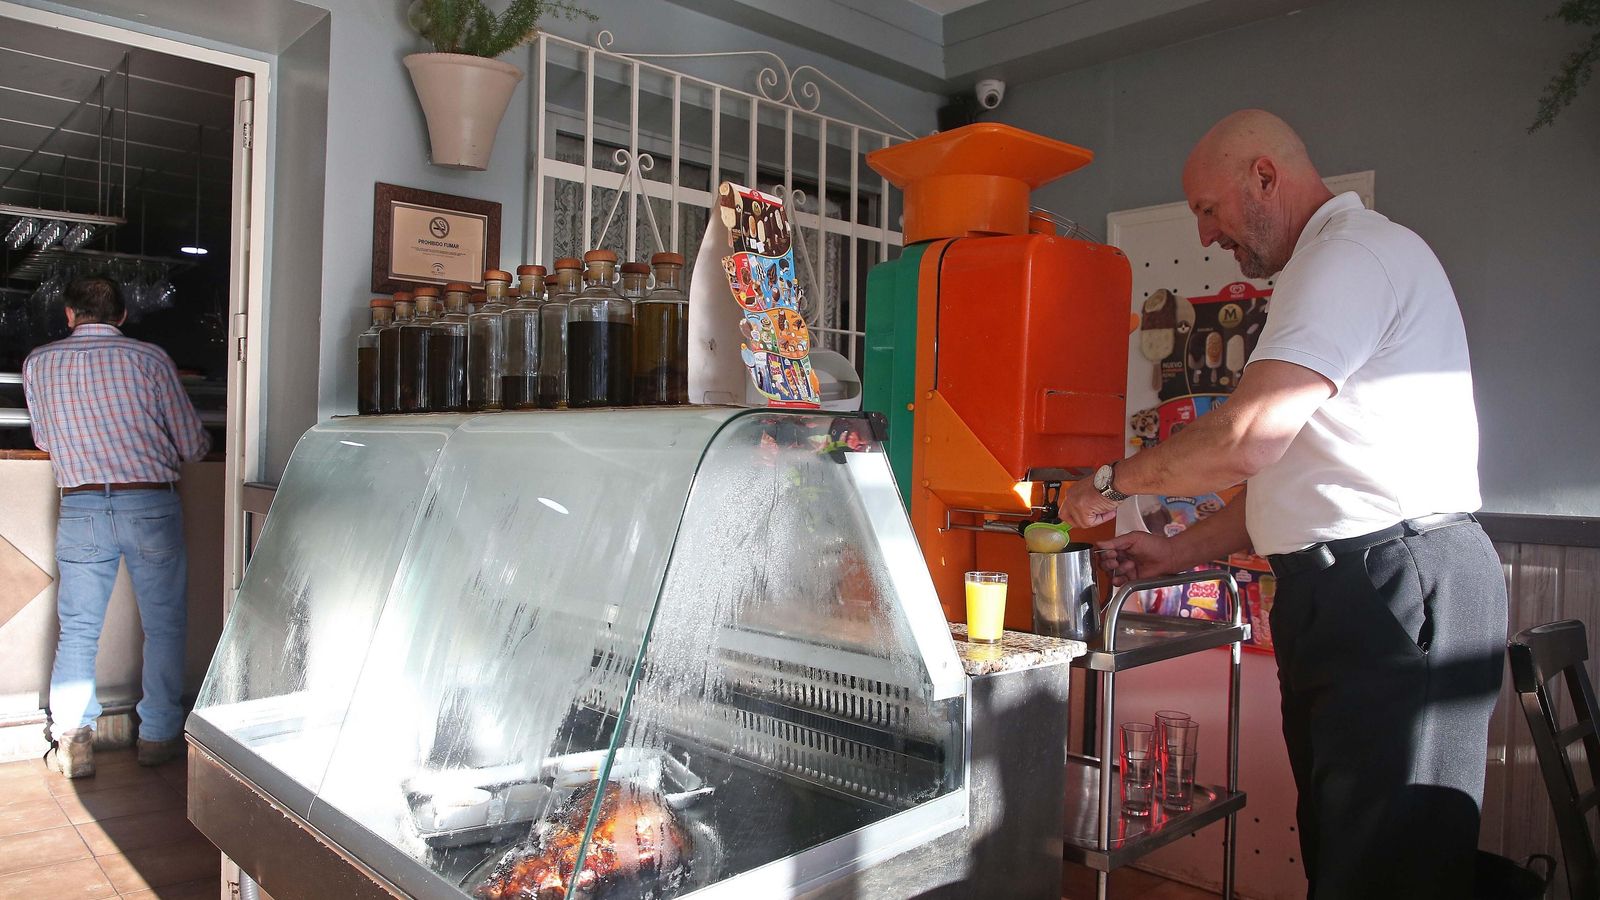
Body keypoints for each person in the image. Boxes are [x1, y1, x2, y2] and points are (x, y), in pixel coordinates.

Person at [1060, 110, 1505, 899]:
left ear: (1265, 176)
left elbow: (1248, 436)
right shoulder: (1332, 268)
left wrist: (1104, 486)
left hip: (1395, 586)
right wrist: (1178, 550)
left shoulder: (1350, 258)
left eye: (1208, 208)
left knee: (1387, 869)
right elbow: (1296, 474)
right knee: (1349, 853)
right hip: (1361, 587)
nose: (1205, 236)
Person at [23, 277, 210, 778]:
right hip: (149, 502)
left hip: (81, 506)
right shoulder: (150, 359)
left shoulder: (39, 362)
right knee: (164, 626)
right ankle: (156, 736)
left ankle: (74, 741)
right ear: (123, 316)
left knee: (79, 629)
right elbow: (193, 444)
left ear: (68, 314)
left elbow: (43, 439)